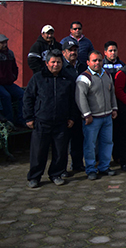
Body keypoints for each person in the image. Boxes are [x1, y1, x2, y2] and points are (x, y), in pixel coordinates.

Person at [23, 50, 75, 188]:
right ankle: (34, 177)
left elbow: (72, 101)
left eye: (58, 62)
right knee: (38, 151)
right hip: (41, 121)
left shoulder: (67, 79)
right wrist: (29, 118)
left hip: (61, 122)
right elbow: (28, 98)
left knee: (60, 151)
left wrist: (71, 117)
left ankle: (56, 174)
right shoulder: (38, 78)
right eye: (53, 62)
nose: (55, 65)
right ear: (47, 63)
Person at [75, 51, 118, 180]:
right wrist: (87, 114)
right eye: (94, 61)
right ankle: (91, 169)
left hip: (107, 116)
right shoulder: (84, 78)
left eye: (99, 60)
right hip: (92, 119)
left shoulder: (107, 75)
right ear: (88, 62)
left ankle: (104, 167)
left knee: (107, 142)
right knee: (90, 145)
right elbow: (80, 98)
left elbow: (112, 93)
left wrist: (114, 108)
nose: (97, 63)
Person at [61, 39, 86, 175]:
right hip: (66, 108)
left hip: (80, 108)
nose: (73, 53)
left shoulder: (82, 66)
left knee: (78, 138)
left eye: (75, 50)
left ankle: (77, 164)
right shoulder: (61, 68)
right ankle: (62, 168)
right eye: (70, 50)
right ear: (64, 52)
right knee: (64, 142)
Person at [0, 33, 26, 127]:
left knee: (22, 94)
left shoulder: (10, 53)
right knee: (6, 96)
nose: (5, 45)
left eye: (5, 42)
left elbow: (15, 67)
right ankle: (9, 122)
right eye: (2, 43)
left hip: (8, 82)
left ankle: (21, 119)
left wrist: (13, 76)